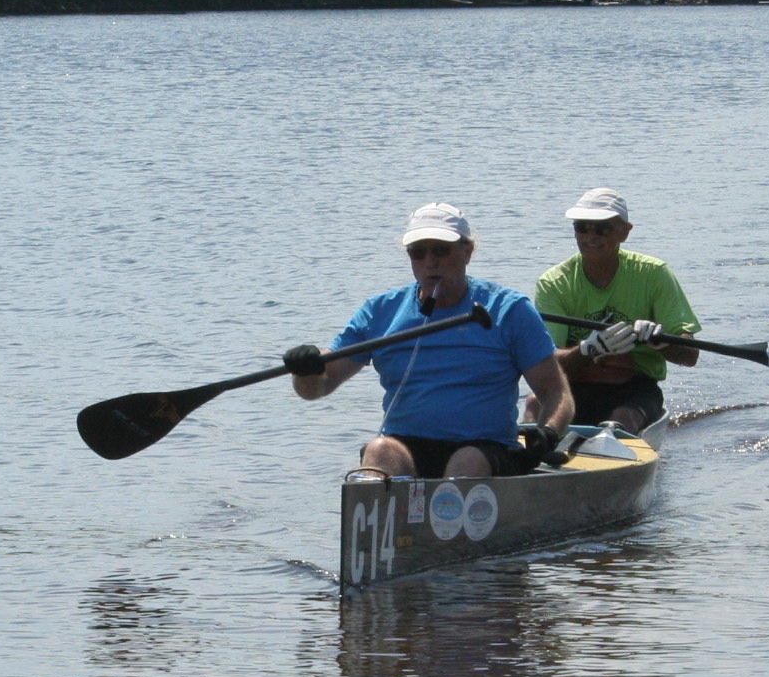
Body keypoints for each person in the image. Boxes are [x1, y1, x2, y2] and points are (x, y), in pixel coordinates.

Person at [285, 203, 573, 480]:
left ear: (467, 252)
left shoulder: (508, 309)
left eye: (441, 250)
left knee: (466, 461)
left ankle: (447, 523)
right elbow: (316, 389)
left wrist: (548, 434)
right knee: (379, 449)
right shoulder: (380, 311)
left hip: (484, 449)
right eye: (418, 253)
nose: (430, 262)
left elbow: (555, 393)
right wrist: (306, 369)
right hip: (406, 446)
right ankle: (380, 518)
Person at [530, 188, 700, 434]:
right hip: (573, 386)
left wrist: (661, 342)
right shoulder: (554, 282)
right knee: (535, 404)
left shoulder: (654, 274)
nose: (591, 237)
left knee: (620, 421)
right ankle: (529, 455)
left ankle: (613, 444)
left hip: (633, 389)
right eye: (582, 227)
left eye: (602, 228)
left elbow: (690, 356)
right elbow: (545, 366)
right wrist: (588, 349)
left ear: (625, 232)